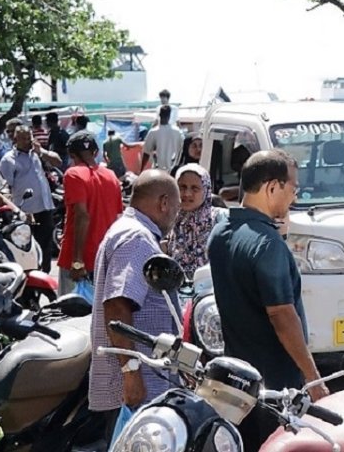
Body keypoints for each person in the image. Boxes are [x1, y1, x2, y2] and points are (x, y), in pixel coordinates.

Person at [207, 150, 327, 396]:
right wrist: (314, 380)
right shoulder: (267, 243)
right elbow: (282, 315)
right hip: (277, 386)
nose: (294, 198)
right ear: (273, 187)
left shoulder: (219, 233)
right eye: (293, 189)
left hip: (237, 377)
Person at [88, 171, 182, 436]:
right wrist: (131, 373)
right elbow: (117, 306)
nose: (175, 216)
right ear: (164, 202)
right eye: (175, 208)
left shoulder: (128, 230)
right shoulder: (137, 239)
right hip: (139, 382)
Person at [58, 132, 123, 295]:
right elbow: (116, 218)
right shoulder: (111, 176)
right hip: (105, 258)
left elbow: (82, 215)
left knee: (67, 316)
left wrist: (77, 261)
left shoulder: (72, 174)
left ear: (71, 154)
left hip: (79, 259)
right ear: (96, 152)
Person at [0, 125, 61, 272]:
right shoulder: (9, 160)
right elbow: (5, 188)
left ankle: (44, 274)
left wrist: (42, 151)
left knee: (45, 245)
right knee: (27, 247)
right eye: (24, 139)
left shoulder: (36, 154)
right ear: (16, 139)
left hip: (45, 207)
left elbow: (58, 162)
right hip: (26, 211)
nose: (28, 142)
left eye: (30, 138)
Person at [167, 164, 228, 280]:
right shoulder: (170, 219)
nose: (187, 194)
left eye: (195, 188)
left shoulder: (220, 218)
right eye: (182, 187)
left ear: (206, 190)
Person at [141, 105, 185, 173]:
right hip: (173, 170)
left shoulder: (153, 132)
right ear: (169, 116)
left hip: (159, 170)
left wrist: (141, 170)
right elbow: (182, 151)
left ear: (159, 115)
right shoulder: (177, 132)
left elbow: (146, 153)